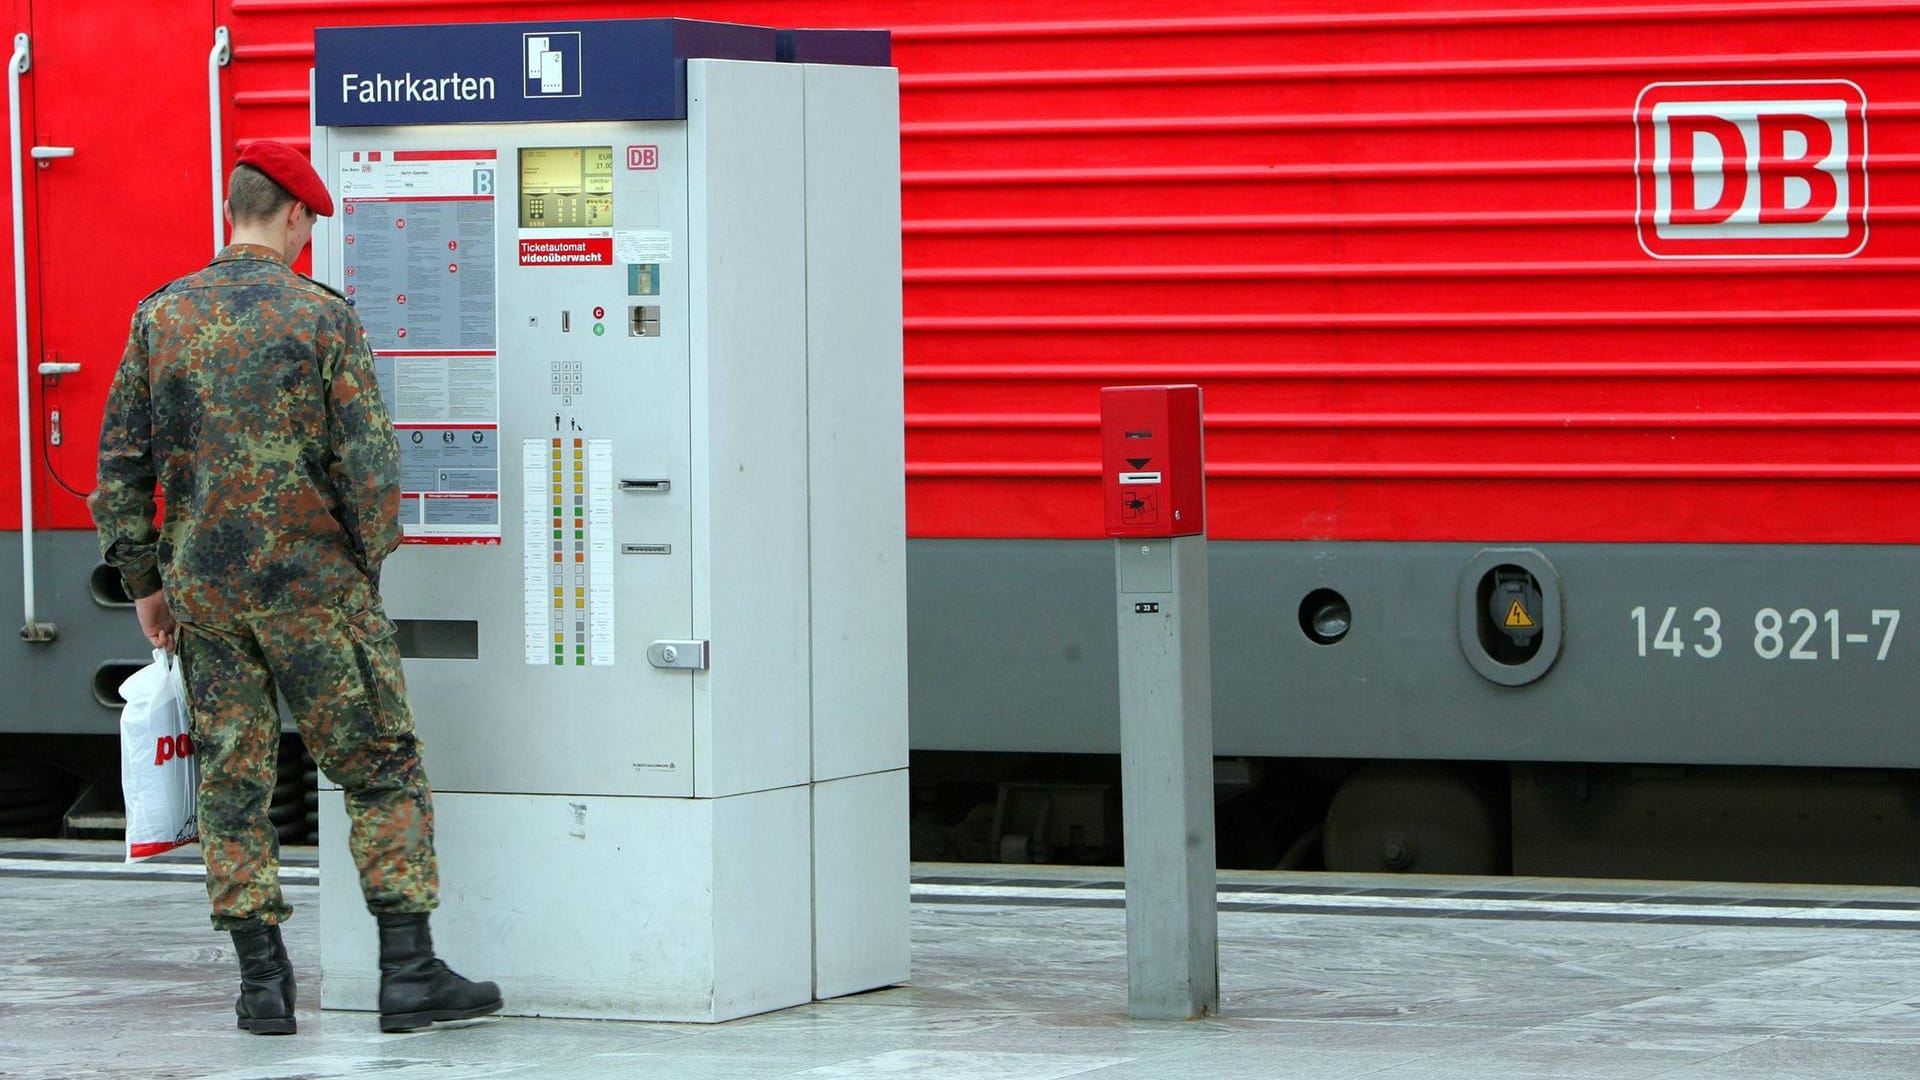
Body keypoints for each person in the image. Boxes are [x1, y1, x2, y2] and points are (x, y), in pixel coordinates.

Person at [91, 140, 502, 1035]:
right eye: (309, 221)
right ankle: (408, 971)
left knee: (233, 783)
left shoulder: (160, 315)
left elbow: (121, 468)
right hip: (316, 590)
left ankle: (261, 988)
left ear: (232, 210)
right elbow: (370, 465)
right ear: (292, 215)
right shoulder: (321, 317)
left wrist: (145, 584)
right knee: (379, 764)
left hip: (205, 594)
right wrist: (363, 566)